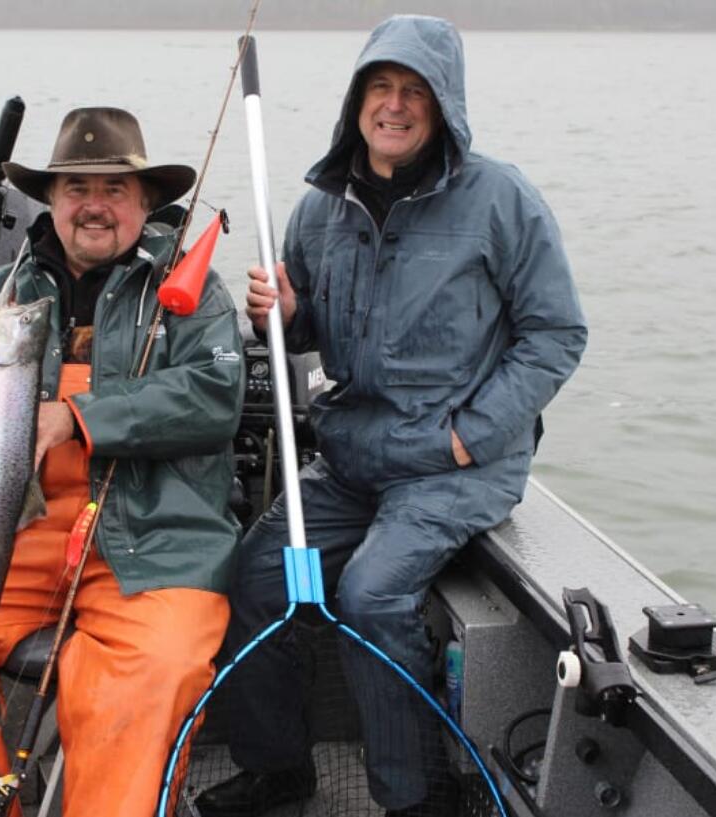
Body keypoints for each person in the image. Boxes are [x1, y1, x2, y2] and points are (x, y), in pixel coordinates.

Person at [196, 15, 587, 817]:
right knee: (256, 573)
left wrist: (468, 433)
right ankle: (278, 767)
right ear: (357, 102)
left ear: (444, 107)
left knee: (372, 594)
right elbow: (300, 334)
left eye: (415, 91)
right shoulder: (317, 209)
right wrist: (286, 310)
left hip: (456, 462)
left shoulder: (501, 199)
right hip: (351, 454)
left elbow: (557, 334)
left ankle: (415, 797)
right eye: (381, 88)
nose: (396, 106)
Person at [0, 107, 246, 817]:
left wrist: (76, 416)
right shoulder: (0, 293)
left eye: (115, 190)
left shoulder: (195, 293)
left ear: (146, 202)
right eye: (75, 188)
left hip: (154, 546)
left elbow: (215, 395)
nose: (94, 205)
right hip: (10, 539)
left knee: (145, 676)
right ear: (51, 201)